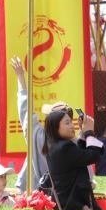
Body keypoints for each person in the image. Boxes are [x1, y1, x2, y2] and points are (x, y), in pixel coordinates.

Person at [10, 56, 69, 193]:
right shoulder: (74, 143)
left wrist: (20, 77)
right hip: (65, 197)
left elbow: (25, 110)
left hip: (39, 195)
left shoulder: (39, 137)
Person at [44, 108, 104, 210]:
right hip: (75, 206)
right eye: (67, 123)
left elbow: (81, 154)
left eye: (71, 122)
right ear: (55, 127)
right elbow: (93, 155)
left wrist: (84, 132)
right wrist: (89, 132)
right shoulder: (65, 147)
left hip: (68, 204)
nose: (72, 126)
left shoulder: (55, 146)